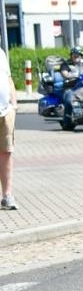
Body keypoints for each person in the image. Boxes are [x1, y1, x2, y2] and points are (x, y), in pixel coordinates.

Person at [0, 32, 15, 210]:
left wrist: (14, 105)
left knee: (6, 153)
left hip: (5, 112)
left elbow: (8, 79)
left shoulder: (2, 54)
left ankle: (7, 195)